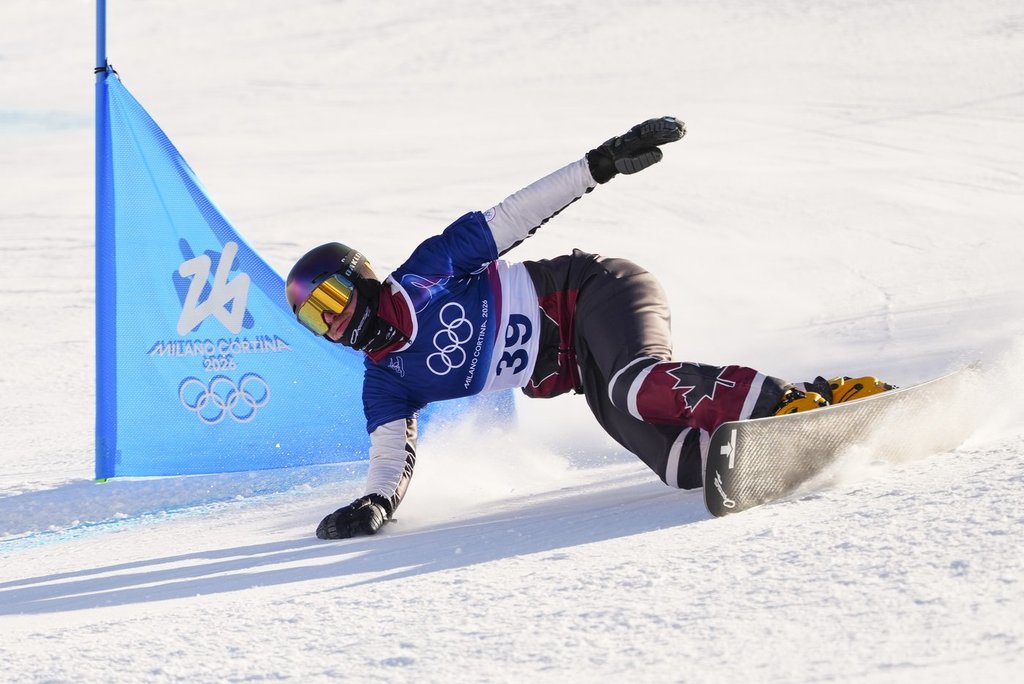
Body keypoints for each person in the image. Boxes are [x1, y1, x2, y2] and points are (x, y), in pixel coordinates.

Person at [286, 117, 893, 540]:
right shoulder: (386, 382)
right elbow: (391, 455)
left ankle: (796, 399)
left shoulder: (428, 271)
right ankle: (802, 439)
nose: (334, 321)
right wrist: (375, 502)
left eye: (333, 297)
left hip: (599, 291)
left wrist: (599, 164)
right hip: (586, 369)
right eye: (315, 317)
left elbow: (514, 214)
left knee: (638, 386)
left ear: (359, 276)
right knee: (686, 465)